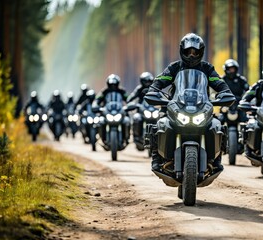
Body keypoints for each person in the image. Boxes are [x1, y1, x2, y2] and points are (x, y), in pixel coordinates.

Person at [147, 32, 233, 171]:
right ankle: (156, 158)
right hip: (176, 106)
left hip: (201, 106)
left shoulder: (207, 69)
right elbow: (160, 81)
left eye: (195, 52)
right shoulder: (174, 68)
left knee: (217, 125)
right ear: (182, 50)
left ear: (201, 52)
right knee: (161, 123)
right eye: (188, 51)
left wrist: (225, 93)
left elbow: (219, 83)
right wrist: (153, 90)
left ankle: (216, 159)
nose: (192, 55)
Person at [92, 74, 129, 143]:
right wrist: (95, 106)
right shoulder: (104, 92)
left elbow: (129, 99)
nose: (113, 86)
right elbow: (97, 100)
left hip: (119, 111)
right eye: (111, 84)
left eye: (114, 84)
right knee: (101, 121)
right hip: (106, 112)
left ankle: (126, 138)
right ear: (108, 84)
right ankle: (102, 138)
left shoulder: (122, 91)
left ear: (118, 84)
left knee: (126, 121)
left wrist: (129, 105)